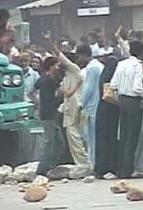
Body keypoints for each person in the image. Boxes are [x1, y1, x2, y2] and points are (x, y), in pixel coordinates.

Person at [43, 32, 90, 168]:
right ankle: (81, 161)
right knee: (73, 136)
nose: (59, 65)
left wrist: (50, 41)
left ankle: (83, 163)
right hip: (71, 105)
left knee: (73, 135)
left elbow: (60, 56)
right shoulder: (67, 76)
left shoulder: (73, 69)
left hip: (74, 105)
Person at [111, 41, 143, 178]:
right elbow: (137, 88)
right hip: (133, 101)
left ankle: (120, 169)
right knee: (132, 136)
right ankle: (127, 170)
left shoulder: (121, 64)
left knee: (124, 135)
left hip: (122, 99)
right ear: (142, 52)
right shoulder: (137, 65)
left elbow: (113, 84)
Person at [35, 57, 65, 175]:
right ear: (51, 66)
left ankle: (51, 166)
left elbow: (35, 88)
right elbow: (59, 94)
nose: (58, 68)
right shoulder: (51, 81)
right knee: (50, 142)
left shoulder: (42, 79)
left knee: (58, 142)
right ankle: (42, 169)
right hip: (50, 114)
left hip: (46, 113)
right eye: (56, 65)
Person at [78, 44, 104, 167]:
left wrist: (81, 103)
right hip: (99, 105)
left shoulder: (91, 68)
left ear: (83, 55)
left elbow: (89, 88)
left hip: (93, 106)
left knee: (92, 138)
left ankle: (93, 163)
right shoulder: (99, 66)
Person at [94, 54, 120, 177]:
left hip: (102, 111)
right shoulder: (109, 79)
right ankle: (109, 166)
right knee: (110, 140)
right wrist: (120, 104)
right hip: (110, 111)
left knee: (102, 140)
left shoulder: (103, 77)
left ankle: (101, 167)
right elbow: (107, 96)